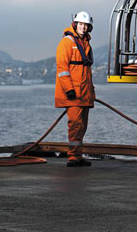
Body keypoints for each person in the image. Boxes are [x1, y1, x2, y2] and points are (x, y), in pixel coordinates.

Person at [55, 10, 95, 167]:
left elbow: (85, 71)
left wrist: (91, 91)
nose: (83, 28)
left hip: (84, 93)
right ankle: (72, 156)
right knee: (75, 124)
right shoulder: (66, 43)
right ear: (75, 24)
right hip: (73, 93)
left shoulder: (85, 44)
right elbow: (62, 68)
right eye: (81, 24)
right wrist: (69, 89)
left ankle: (77, 155)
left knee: (82, 126)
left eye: (86, 25)